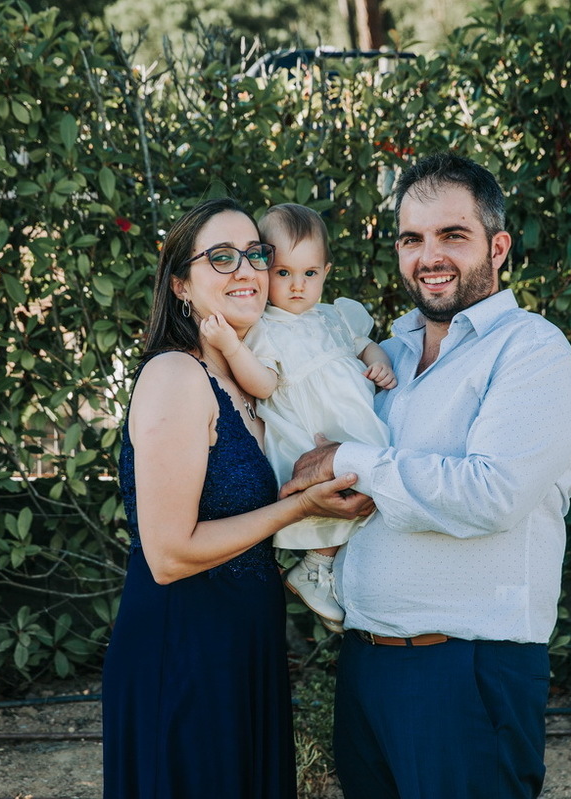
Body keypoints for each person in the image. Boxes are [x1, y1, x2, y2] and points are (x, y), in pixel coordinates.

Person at [280, 153, 571, 799]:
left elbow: (491, 494)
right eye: (412, 239)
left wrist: (348, 460)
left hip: (469, 670)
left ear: (498, 247)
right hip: (367, 664)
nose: (429, 256)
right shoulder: (388, 355)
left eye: (452, 235)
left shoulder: (531, 348)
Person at [101, 197, 374, 799]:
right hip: (183, 650)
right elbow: (168, 555)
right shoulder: (176, 376)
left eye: (256, 254)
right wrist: (301, 507)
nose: (246, 269)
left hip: (247, 643)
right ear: (181, 285)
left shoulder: (254, 385)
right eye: (221, 257)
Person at [201, 203, 395, 633]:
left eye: (309, 273)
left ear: (326, 272)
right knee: (339, 492)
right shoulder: (265, 327)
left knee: (371, 489)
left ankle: (330, 571)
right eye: (283, 273)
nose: (296, 286)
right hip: (309, 432)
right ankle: (314, 568)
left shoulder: (335, 316)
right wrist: (233, 347)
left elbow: (364, 345)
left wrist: (379, 362)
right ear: (264, 270)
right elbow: (263, 384)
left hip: (354, 426)